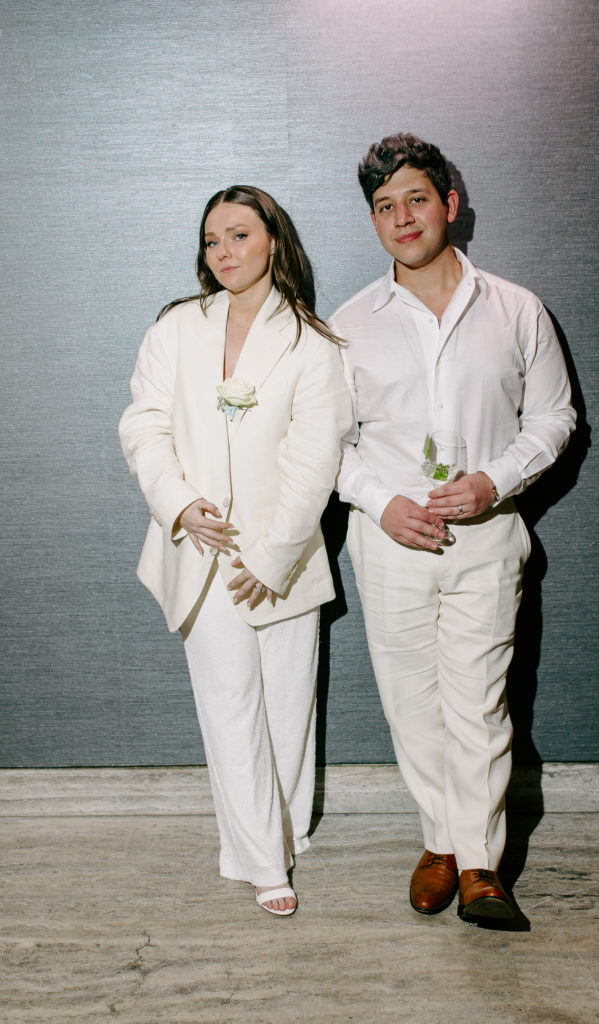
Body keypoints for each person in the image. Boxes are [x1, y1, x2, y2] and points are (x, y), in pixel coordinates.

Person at [329, 134, 576, 920]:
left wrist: (493, 481)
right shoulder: (349, 322)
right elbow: (324, 445)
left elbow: (554, 418)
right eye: (383, 205)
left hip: (488, 534)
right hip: (390, 541)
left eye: (414, 199)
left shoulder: (515, 307)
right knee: (412, 702)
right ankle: (440, 840)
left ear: (449, 205)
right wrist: (380, 502)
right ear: (373, 220)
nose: (401, 217)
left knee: (479, 702)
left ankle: (478, 866)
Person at [119, 186, 353, 917]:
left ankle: (277, 838)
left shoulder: (315, 344)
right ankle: (261, 862)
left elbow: (317, 459)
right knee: (228, 706)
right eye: (212, 240)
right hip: (198, 549)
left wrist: (273, 555)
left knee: (287, 709)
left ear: (273, 242)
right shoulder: (174, 329)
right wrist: (180, 505)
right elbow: (142, 426)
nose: (223, 252)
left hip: (280, 558)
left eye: (239, 236)